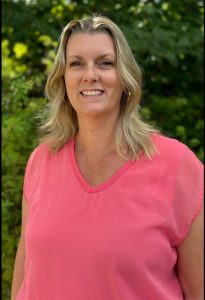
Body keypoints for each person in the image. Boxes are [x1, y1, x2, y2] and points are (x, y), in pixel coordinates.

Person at [11, 15, 204, 300]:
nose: (90, 75)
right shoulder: (41, 161)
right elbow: (24, 279)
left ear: (124, 78)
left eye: (105, 63)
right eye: (76, 64)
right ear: (63, 79)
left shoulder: (176, 165)